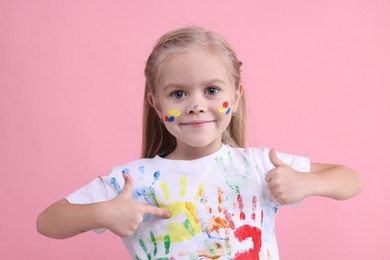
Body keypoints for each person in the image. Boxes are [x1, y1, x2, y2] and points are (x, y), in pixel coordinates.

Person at [37, 26, 363, 259]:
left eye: (211, 91)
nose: (195, 104)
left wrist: (306, 183)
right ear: (156, 103)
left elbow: (351, 178)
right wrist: (103, 213)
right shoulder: (132, 182)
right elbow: (48, 221)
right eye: (178, 94)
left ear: (235, 98)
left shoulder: (260, 167)